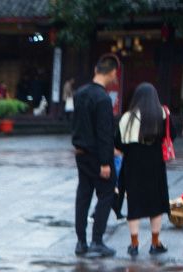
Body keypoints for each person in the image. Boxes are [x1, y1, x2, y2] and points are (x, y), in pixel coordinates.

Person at [114, 82, 176, 257]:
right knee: (155, 204)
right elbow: (173, 135)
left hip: (133, 163)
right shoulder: (163, 113)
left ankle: (134, 244)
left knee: (134, 203)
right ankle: (155, 242)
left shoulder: (127, 117)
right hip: (155, 162)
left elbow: (118, 143)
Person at [72, 55, 120, 257]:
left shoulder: (79, 94)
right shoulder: (102, 98)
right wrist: (105, 161)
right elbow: (104, 132)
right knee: (107, 193)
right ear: (112, 73)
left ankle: (81, 242)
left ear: (95, 69)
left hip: (80, 153)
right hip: (97, 155)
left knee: (83, 195)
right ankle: (97, 241)